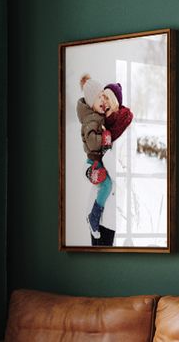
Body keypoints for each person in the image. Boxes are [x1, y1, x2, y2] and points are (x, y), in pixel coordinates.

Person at [91, 82, 133, 246]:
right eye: (102, 97)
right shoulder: (102, 127)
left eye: (107, 97)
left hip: (110, 215)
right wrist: (88, 171)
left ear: (116, 101)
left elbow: (124, 177)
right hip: (94, 211)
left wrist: (107, 150)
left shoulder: (127, 132)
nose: (104, 101)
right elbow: (92, 160)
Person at [77, 74, 114, 240]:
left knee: (105, 183)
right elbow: (92, 143)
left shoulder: (95, 117)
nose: (103, 100)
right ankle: (94, 215)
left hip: (96, 161)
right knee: (107, 185)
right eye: (99, 97)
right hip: (93, 160)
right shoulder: (91, 120)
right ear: (91, 101)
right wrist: (105, 141)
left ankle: (94, 213)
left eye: (103, 96)